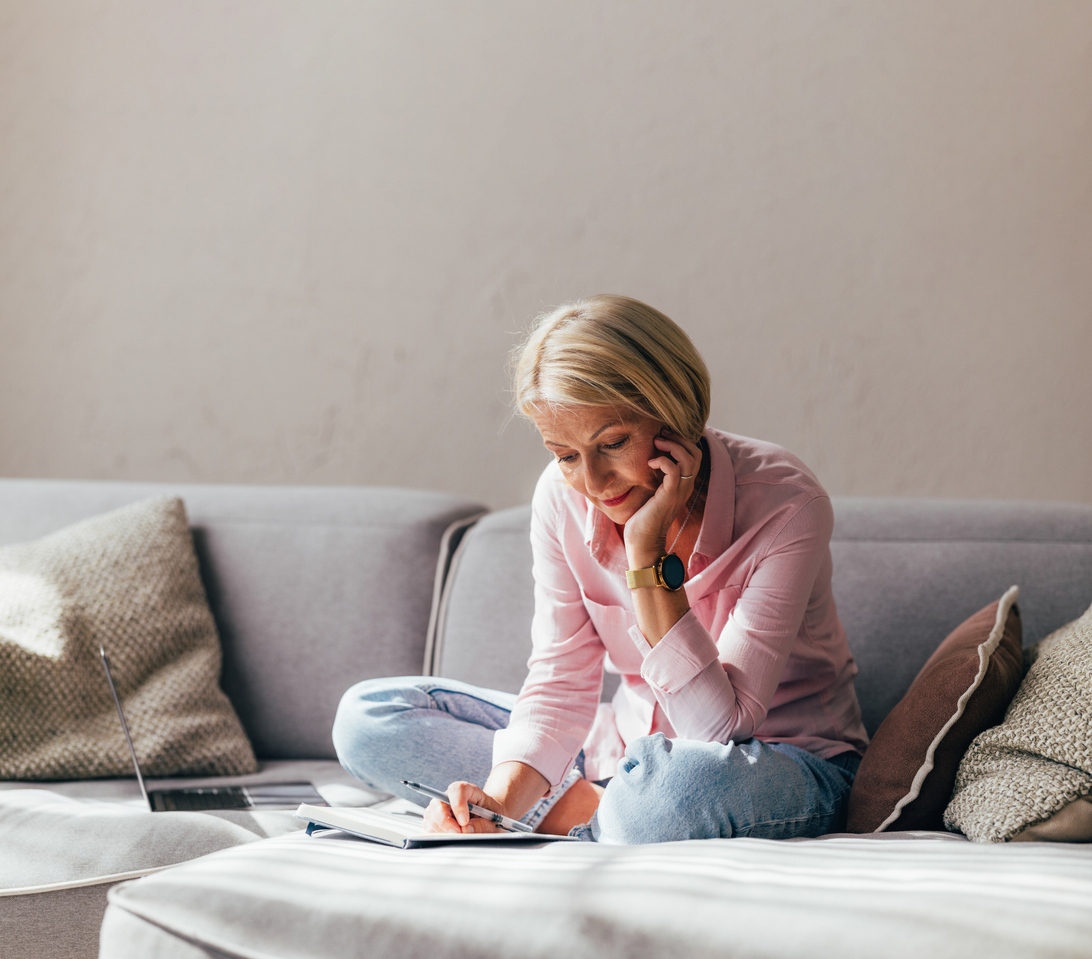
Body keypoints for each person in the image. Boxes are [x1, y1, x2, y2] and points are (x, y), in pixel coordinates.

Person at [332, 294, 868, 843]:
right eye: (565, 455)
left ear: (676, 411)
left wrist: (646, 556)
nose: (593, 482)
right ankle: (601, 810)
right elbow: (561, 678)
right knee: (368, 719)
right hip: (624, 751)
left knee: (674, 792)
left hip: (777, 763)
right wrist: (496, 800)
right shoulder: (561, 500)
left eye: (612, 443)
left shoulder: (787, 504)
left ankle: (602, 810)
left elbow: (717, 731)